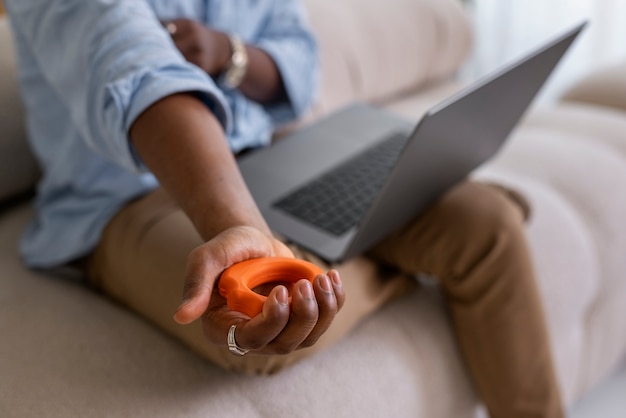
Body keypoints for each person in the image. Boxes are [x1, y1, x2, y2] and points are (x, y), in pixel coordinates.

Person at [6, 1, 564, 417]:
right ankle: (383, 259)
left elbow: (299, 60)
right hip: (128, 198)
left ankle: (354, 253)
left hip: (271, 155)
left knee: (486, 225)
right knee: (262, 320)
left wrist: (230, 53)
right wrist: (238, 226)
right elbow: (142, 77)